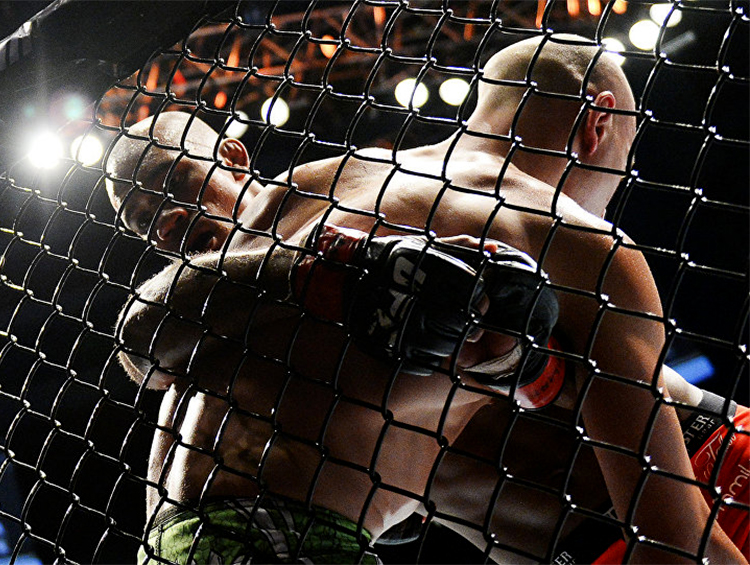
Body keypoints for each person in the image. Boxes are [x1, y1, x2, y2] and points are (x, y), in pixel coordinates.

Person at [105, 34, 748, 564]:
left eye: (175, 185)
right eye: (144, 224)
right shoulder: (302, 221)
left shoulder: (333, 187)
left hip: (704, 474)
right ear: (598, 123)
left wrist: (534, 366)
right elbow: (144, 334)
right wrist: (343, 274)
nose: (167, 223)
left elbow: (672, 527)